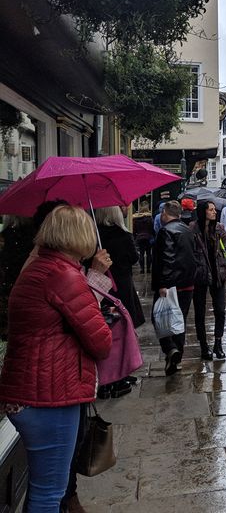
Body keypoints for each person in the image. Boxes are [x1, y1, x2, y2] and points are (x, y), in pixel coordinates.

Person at [0, 205, 112, 513]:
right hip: (50, 394)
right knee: (50, 493)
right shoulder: (63, 275)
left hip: (28, 389)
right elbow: (101, 342)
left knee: (42, 487)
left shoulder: (36, 267)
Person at [151, 200, 197, 374]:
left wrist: (163, 284)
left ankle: (170, 349)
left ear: (164, 213)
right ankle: (175, 360)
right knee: (180, 321)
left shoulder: (165, 231)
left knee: (157, 317)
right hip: (187, 284)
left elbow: (168, 259)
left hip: (171, 285)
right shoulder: (187, 230)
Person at [191, 200, 226, 360]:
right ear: (203, 212)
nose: (214, 212)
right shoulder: (193, 229)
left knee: (220, 310)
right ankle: (203, 346)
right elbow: (189, 253)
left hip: (218, 275)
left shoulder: (219, 228)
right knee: (200, 313)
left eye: (215, 210)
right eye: (211, 210)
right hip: (200, 276)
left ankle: (218, 342)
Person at [95, 206, 145, 327]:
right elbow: (134, 258)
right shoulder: (124, 235)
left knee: (107, 320)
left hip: (101, 284)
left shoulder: (95, 236)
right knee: (125, 319)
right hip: (122, 284)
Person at [132, 203, 155, 274]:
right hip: (148, 238)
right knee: (149, 254)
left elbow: (134, 230)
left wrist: (135, 237)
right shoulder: (150, 219)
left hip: (140, 238)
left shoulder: (136, 219)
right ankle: (148, 269)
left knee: (141, 254)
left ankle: (142, 269)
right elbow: (152, 229)